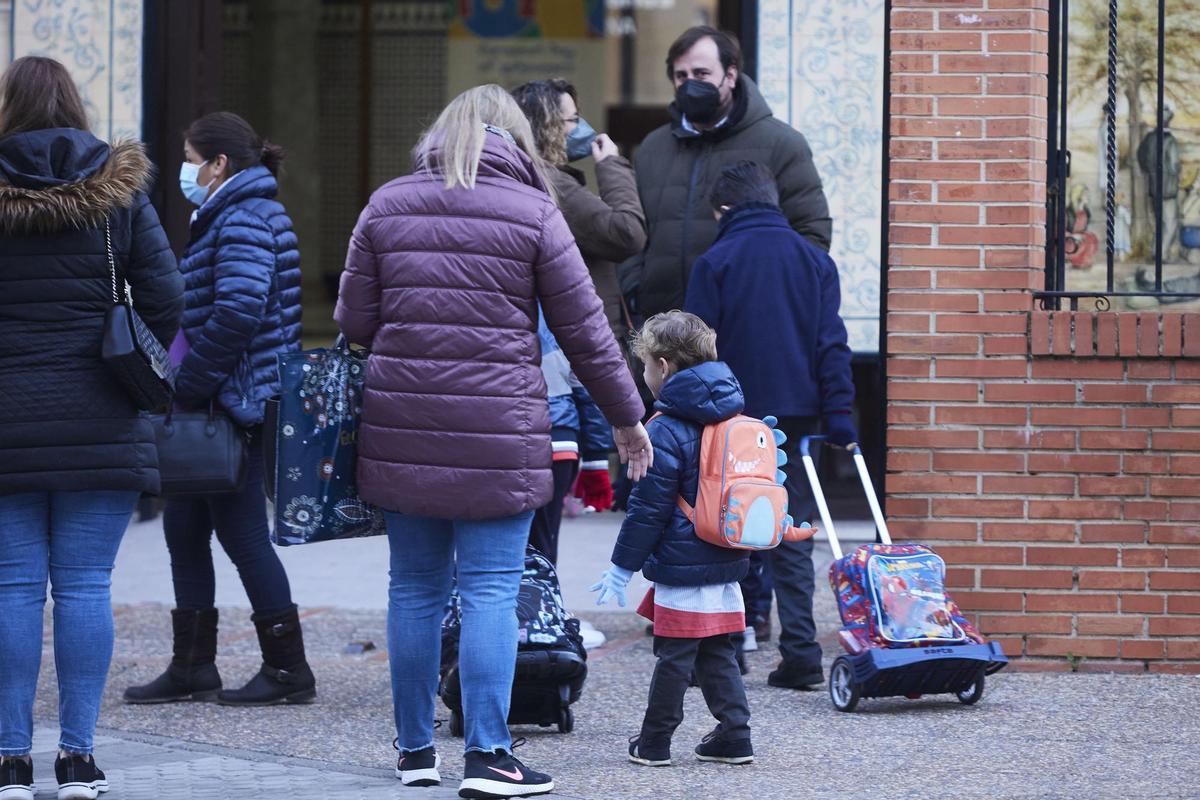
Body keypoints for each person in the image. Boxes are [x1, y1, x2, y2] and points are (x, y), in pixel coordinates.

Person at [334, 85, 649, 799]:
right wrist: (628, 419)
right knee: (488, 592)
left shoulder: (387, 204)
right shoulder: (535, 211)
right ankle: (488, 756)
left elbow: (353, 319)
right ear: (515, 141)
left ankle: (415, 751)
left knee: (412, 590)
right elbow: (587, 334)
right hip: (501, 431)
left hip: (401, 427)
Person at [0, 56, 183, 800]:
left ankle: (10, 760)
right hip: (103, 414)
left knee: (13, 589)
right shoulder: (119, 192)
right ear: (75, 106)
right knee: (83, 587)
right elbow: (168, 301)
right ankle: (77, 759)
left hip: (6, 418)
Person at [122, 112, 311, 708]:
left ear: (219, 163)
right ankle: (192, 666)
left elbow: (238, 310)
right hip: (218, 397)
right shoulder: (228, 211)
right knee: (183, 526)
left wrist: (193, 386)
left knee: (243, 533)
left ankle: (288, 670)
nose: (184, 169)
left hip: (234, 401)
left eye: (188, 156)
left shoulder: (247, 215)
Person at [685, 161, 856, 690]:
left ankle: (726, 651)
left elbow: (696, 353)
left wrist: (689, 415)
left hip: (730, 421)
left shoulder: (715, 262)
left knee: (725, 532)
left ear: (726, 210)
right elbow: (831, 345)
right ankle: (801, 653)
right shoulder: (814, 262)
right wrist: (842, 417)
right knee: (793, 533)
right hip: (798, 421)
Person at [592, 311, 754, 768]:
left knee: (674, 656)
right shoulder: (735, 415)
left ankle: (655, 742)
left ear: (663, 366)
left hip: (682, 566)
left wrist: (621, 566)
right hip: (726, 558)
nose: (643, 376)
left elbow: (648, 510)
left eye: (643, 366)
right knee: (719, 650)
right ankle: (735, 736)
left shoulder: (662, 428)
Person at [625, 25, 832, 321]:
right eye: (681, 76)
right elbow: (634, 232)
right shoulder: (652, 149)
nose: (689, 84)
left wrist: (765, 298)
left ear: (731, 76)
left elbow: (812, 236)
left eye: (701, 74)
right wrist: (635, 288)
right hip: (664, 332)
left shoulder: (782, 144)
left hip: (747, 328)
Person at [512, 78, 648, 518]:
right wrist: (612, 166)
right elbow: (627, 233)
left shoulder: (531, 178)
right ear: (548, 127)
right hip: (572, 345)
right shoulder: (554, 185)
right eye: (573, 120)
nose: (582, 129)